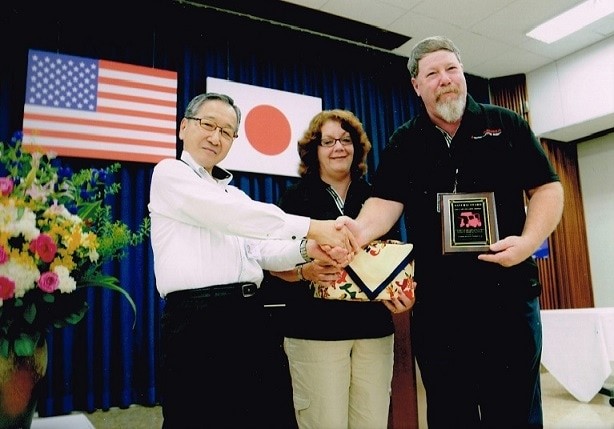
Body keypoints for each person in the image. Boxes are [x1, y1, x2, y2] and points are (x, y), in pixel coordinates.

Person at [337, 36, 564, 428]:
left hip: (507, 298)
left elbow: (547, 188)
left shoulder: (505, 124)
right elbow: (385, 204)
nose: (445, 79)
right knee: (449, 413)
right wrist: (355, 231)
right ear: (417, 85)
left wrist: (528, 243)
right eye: (433, 73)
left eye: (452, 69)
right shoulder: (405, 141)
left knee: (513, 413)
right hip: (440, 307)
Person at [148, 93, 359, 429]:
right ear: (183, 127)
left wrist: (307, 250)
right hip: (196, 321)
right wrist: (314, 228)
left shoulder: (235, 194)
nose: (216, 137)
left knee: (266, 416)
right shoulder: (170, 174)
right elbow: (230, 217)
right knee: (196, 416)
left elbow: (262, 251)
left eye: (227, 131)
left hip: (249, 317)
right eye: (209, 125)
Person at [265, 109, 415, 429]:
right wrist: (306, 271)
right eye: (328, 141)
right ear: (313, 150)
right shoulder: (293, 200)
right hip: (314, 331)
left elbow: (391, 261)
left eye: (346, 140)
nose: (339, 148)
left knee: (372, 421)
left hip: (374, 331)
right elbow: (270, 262)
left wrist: (401, 292)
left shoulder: (377, 198)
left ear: (357, 148)